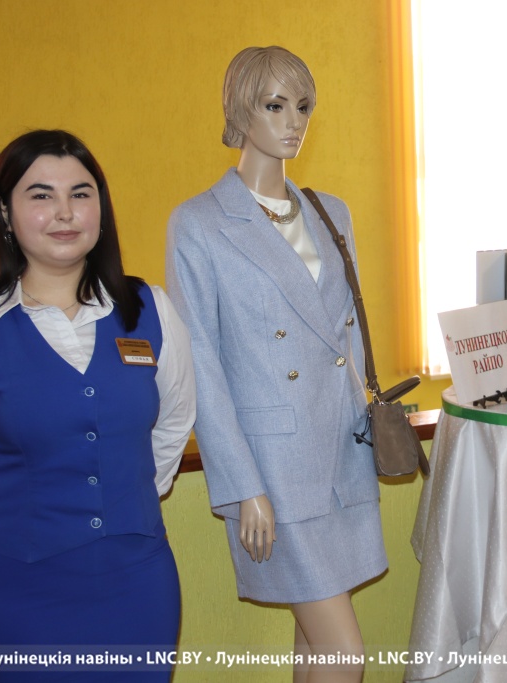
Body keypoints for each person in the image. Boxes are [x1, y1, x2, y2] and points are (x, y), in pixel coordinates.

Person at [0, 129, 196, 682]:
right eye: (41, 195)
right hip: (8, 594)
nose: (65, 212)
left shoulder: (151, 310)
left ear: (101, 210)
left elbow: (173, 424)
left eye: (81, 194)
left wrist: (125, 499)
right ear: (5, 213)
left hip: (136, 589)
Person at [166, 46, 384, 682]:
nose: (294, 122)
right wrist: (242, 486)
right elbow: (201, 364)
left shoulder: (330, 211)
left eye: (304, 106)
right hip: (273, 469)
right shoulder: (199, 223)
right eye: (275, 105)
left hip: (341, 452)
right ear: (241, 110)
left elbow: (346, 338)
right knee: (345, 656)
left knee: (315, 647)